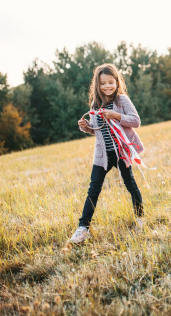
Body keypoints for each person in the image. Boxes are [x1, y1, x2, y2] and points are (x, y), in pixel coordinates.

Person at [70, 63, 144, 243]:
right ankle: (83, 227)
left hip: (122, 152)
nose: (107, 86)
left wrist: (117, 116)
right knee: (93, 189)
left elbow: (136, 121)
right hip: (102, 155)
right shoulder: (95, 105)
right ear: (97, 85)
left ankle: (140, 218)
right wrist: (87, 127)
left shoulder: (122, 101)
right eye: (103, 83)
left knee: (130, 184)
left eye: (111, 82)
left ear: (117, 82)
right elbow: (98, 129)